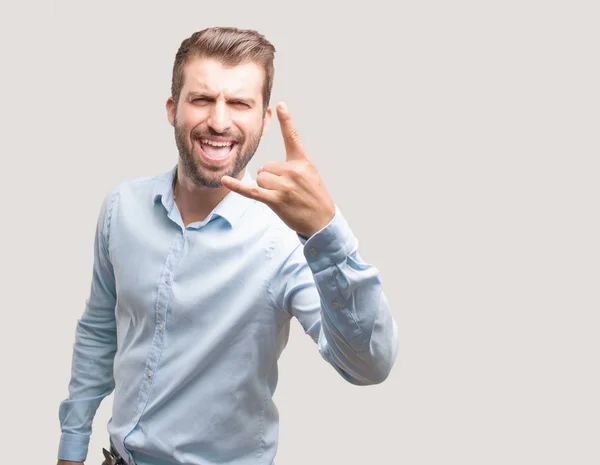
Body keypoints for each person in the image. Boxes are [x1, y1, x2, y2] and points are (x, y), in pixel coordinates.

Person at [57, 26, 399, 465]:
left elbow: (369, 365)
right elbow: (99, 332)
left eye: (239, 103)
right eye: (201, 99)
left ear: (263, 120)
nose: (219, 121)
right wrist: (71, 445)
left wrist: (326, 233)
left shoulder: (288, 240)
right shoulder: (122, 207)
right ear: (172, 109)